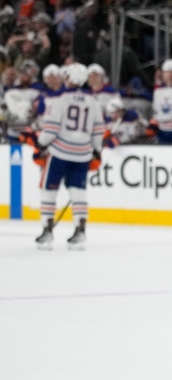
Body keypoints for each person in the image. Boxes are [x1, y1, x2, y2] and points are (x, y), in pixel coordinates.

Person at [29, 63, 105, 251]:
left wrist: (41, 143)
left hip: (60, 153)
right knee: (78, 192)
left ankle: (47, 230)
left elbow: (52, 127)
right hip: (82, 154)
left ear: (70, 79)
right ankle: (80, 230)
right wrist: (96, 149)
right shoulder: (93, 101)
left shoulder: (61, 99)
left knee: (49, 191)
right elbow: (98, 130)